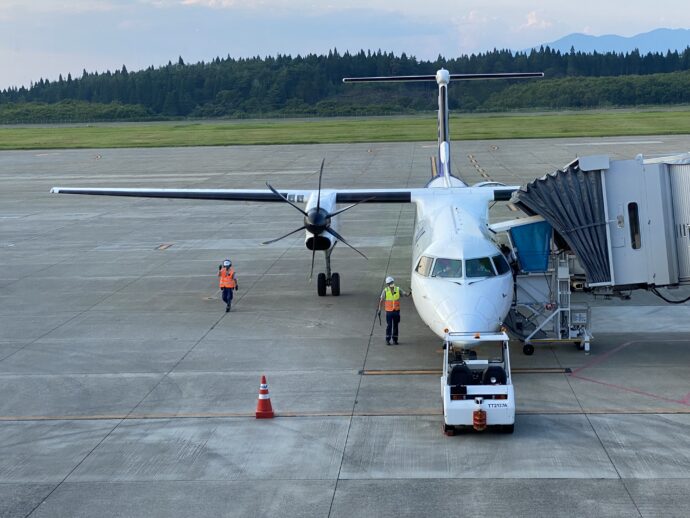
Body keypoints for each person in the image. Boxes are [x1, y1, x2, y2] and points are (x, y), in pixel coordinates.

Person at [379, 276, 410, 345]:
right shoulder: (385, 291)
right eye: (390, 283)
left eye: (391, 282)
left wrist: (410, 293)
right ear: (388, 284)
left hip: (396, 311)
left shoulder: (398, 289)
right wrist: (379, 309)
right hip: (389, 312)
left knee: (395, 325)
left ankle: (395, 340)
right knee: (389, 326)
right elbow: (381, 300)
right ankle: (388, 339)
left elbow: (405, 294)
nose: (391, 283)